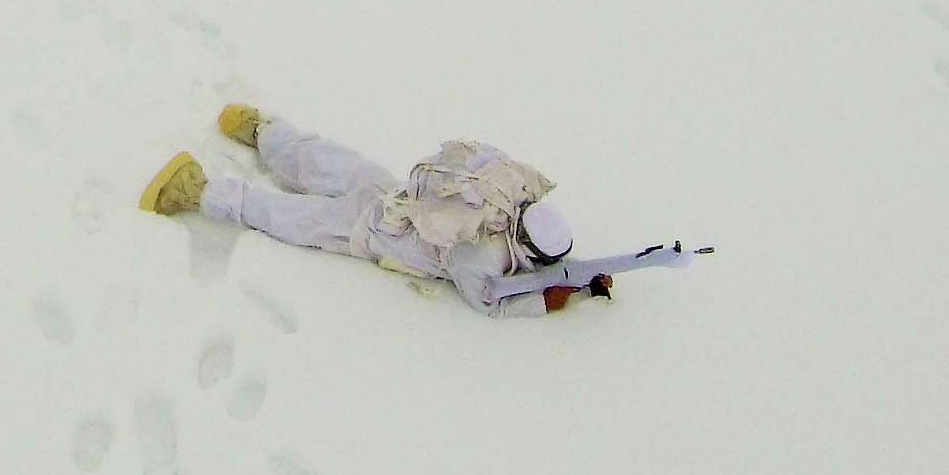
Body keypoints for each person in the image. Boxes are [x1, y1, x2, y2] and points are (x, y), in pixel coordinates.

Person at [139, 107, 703, 314]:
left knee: (328, 161)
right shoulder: (481, 256)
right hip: (374, 234)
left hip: (392, 195)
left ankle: (264, 131)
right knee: (287, 216)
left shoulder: (506, 197)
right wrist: (550, 301)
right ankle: (197, 192)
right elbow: (490, 300)